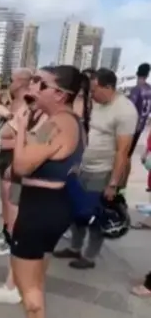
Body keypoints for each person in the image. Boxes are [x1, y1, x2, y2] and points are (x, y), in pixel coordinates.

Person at [7, 66, 89, 318]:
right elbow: (32, 155)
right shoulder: (64, 120)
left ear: (60, 94)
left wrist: (20, 127)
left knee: (26, 280)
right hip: (49, 206)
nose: (34, 88)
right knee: (36, 275)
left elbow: (20, 166)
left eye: (42, 84)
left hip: (41, 209)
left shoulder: (59, 123)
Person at [54, 68, 136, 269]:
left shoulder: (125, 111)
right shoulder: (98, 104)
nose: (92, 94)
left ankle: (89, 256)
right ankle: (75, 247)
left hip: (103, 171)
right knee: (75, 210)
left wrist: (113, 183)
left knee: (95, 215)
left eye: (95, 90)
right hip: (84, 167)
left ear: (108, 87)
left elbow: (123, 151)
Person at [0, 69, 33, 290]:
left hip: (14, 154)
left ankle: (12, 239)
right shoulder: (14, 101)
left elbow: (26, 134)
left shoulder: (27, 105)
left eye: (12, 80)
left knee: (12, 201)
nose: (9, 83)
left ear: (22, 82)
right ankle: (5, 232)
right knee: (5, 200)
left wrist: (9, 116)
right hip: (5, 153)